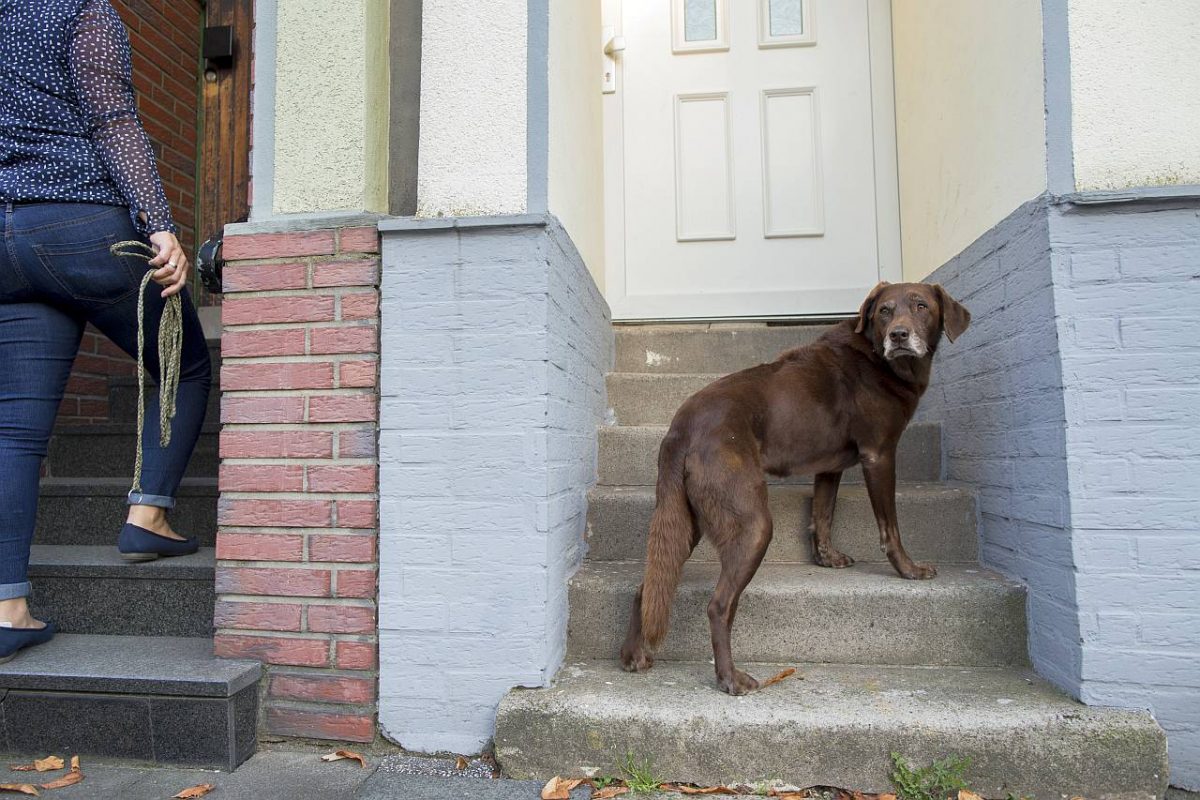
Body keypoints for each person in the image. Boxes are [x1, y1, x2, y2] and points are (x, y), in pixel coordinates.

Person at [0, 0, 212, 661]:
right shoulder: (80, 9)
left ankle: (8, 607)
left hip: (6, 238)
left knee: (14, 430)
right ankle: (147, 513)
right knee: (186, 364)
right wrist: (159, 224)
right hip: (82, 224)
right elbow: (112, 117)